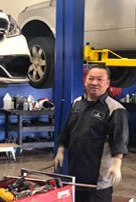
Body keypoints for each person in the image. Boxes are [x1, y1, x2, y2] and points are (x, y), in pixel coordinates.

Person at [54, 64, 129, 202]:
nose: (94, 83)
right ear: (85, 80)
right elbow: (67, 130)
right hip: (75, 171)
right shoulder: (77, 103)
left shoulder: (115, 109)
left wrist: (117, 164)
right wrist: (60, 149)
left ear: (107, 83)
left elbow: (119, 139)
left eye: (99, 79)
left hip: (99, 178)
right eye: (91, 78)